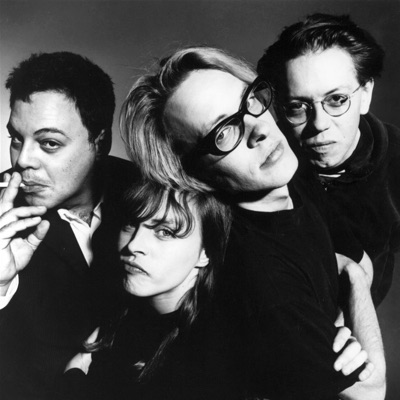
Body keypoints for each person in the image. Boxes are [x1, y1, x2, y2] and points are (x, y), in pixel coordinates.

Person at [119, 46, 386, 399]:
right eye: (224, 131)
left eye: (251, 100)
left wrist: (345, 286)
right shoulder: (262, 281)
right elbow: (369, 393)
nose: (258, 129)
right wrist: (352, 279)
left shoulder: (286, 168)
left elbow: (357, 258)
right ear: (190, 171)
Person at [0, 52, 138, 399]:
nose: (23, 160)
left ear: (100, 143)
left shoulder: (151, 194)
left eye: (49, 143)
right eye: (16, 139)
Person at [257, 13, 400, 306]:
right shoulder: (262, 155)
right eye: (297, 106)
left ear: (366, 93)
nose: (319, 124)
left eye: (336, 100)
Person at [56, 180, 233, 400]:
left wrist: (74, 372)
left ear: (206, 252)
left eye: (165, 232)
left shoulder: (214, 353)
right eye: (131, 224)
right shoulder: (125, 319)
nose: (133, 245)